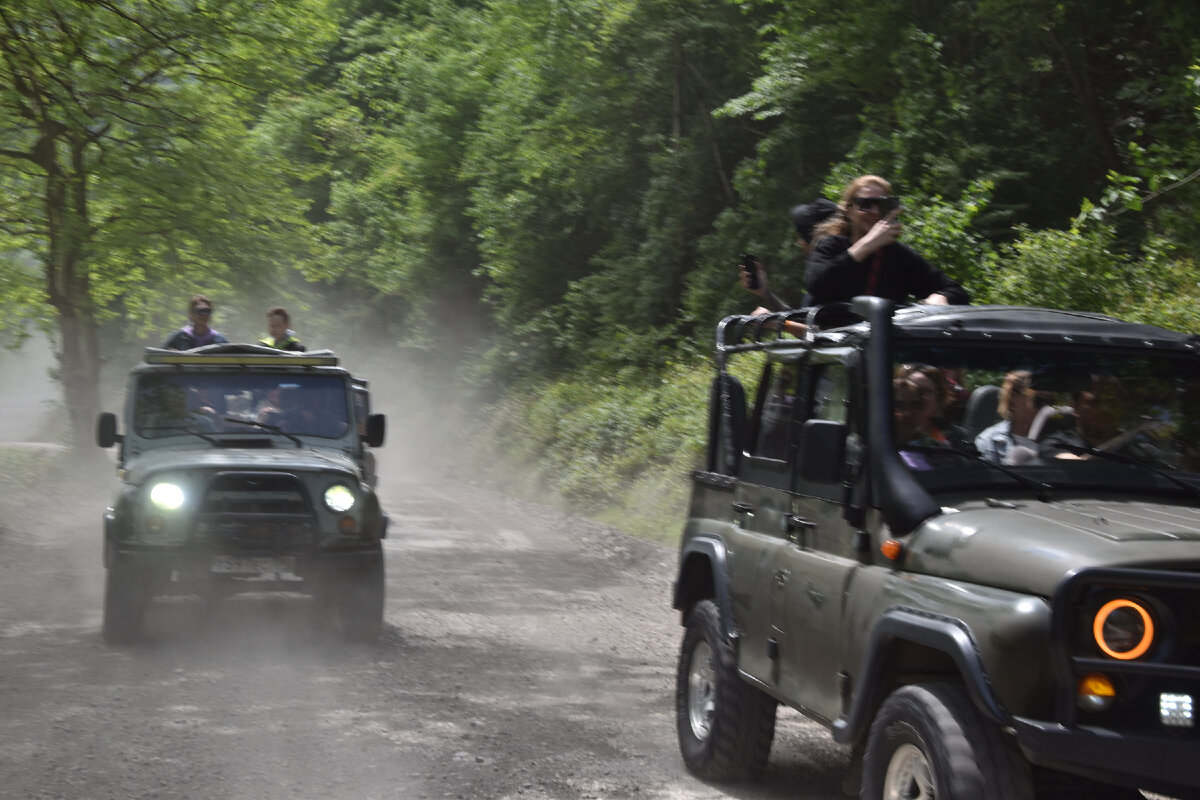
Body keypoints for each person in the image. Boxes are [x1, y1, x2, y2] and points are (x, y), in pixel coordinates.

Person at [805, 175, 969, 307]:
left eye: (882, 205)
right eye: (866, 204)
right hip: (837, 335)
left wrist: (940, 298)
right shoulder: (832, 246)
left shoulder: (899, 255)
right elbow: (818, 285)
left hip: (881, 337)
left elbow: (955, 291)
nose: (875, 211)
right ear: (849, 210)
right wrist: (867, 244)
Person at [739, 197, 839, 313]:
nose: (799, 242)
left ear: (815, 239)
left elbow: (814, 326)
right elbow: (801, 318)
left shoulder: (831, 279)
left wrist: (774, 321)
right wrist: (764, 291)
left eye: (802, 236)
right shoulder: (822, 276)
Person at [974, 371, 1047, 464]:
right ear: (1014, 398)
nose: (1046, 407)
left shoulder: (1059, 441)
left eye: (1052, 401)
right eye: (1039, 400)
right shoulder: (989, 442)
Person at [164, 295, 229, 350]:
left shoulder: (219, 340)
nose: (204, 315)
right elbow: (162, 356)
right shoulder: (179, 337)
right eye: (200, 311)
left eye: (207, 311)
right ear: (191, 314)